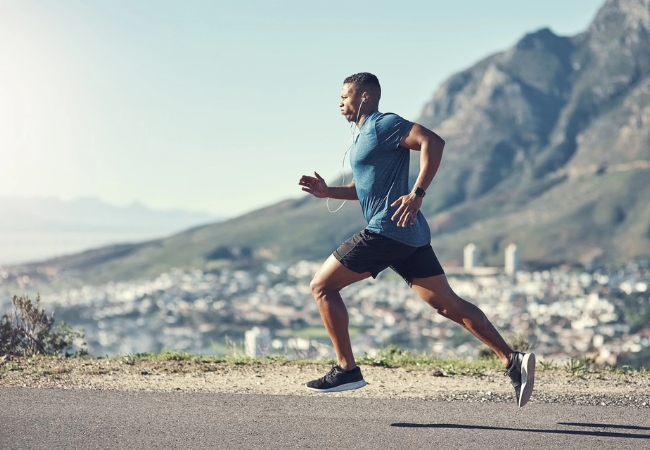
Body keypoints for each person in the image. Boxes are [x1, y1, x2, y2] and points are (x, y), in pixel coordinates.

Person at [298, 72, 535, 407]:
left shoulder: (384, 124)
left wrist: (418, 192)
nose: (340, 103)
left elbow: (433, 141)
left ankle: (346, 369)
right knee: (446, 304)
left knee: (322, 287)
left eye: (345, 96)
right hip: (408, 235)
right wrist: (327, 191)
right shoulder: (365, 135)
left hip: (387, 230)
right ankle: (513, 361)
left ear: (364, 97)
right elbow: (361, 190)